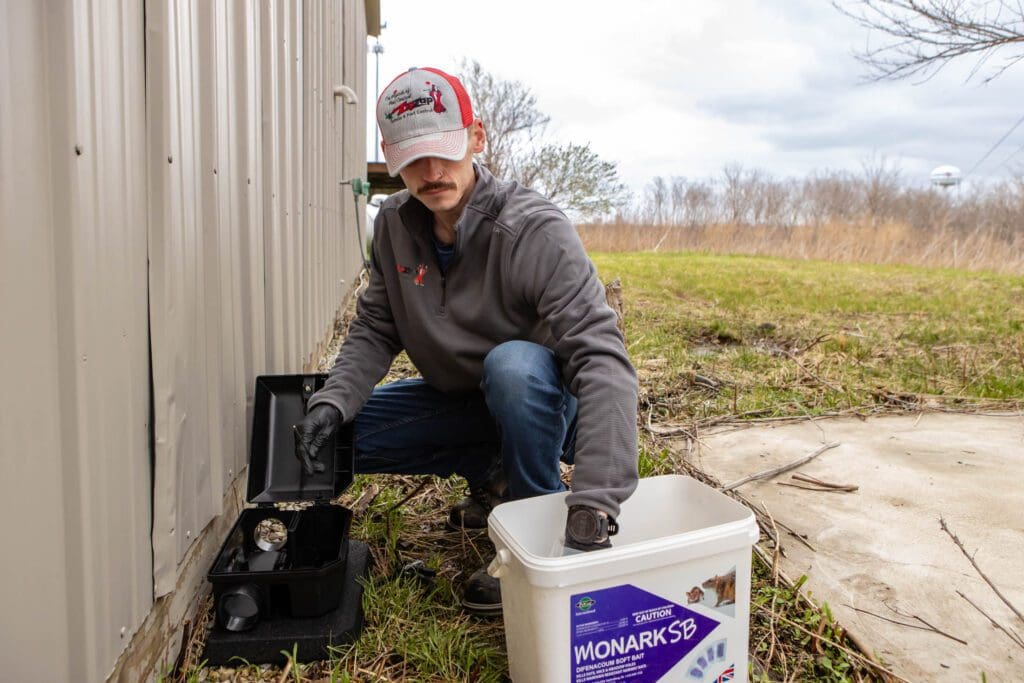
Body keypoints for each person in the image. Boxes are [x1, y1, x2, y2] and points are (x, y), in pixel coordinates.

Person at [295, 66, 638, 615]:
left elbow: (602, 359)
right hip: (464, 400)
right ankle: (492, 474)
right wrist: (334, 401)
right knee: (346, 442)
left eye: (445, 150)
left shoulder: (533, 230)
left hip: (541, 400)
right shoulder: (393, 226)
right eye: (412, 157)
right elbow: (376, 326)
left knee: (513, 368)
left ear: (476, 138)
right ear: (391, 154)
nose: (431, 172)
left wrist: (595, 501)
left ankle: (531, 537)